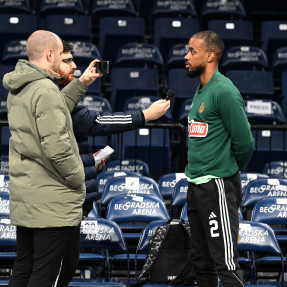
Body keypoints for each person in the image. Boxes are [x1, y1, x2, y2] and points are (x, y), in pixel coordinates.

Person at [2, 30, 101, 287]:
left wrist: (81, 84)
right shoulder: (45, 89)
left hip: (30, 197)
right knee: (51, 275)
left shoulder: (22, 86)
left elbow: (55, 108)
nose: (66, 61)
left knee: (24, 267)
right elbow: (58, 149)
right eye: (61, 55)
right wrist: (79, 176)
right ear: (49, 54)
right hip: (53, 202)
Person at [58, 39, 171, 217]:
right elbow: (99, 122)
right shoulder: (52, 99)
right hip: (64, 197)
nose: (74, 66)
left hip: (68, 192)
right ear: (49, 61)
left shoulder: (54, 95)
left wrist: (88, 161)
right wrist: (145, 115)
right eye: (67, 61)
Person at [183, 30, 254, 287]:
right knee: (201, 264)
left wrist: (226, 171)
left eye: (192, 51)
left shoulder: (224, 91)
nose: (186, 56)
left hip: (217, 186)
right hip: (196, 184)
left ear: (210, 55)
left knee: (226, 264)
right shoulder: (202, 90)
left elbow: (245, 143)